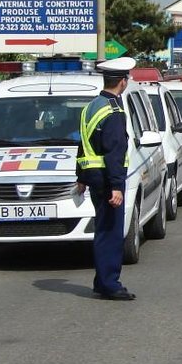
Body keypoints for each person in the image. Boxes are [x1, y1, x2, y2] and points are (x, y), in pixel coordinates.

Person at [76, 56, 137, 300]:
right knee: (111, 233)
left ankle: (102, 281)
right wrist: (116, 187)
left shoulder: (92, 106)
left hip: (93, 177)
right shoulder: (113, 111)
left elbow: (82, 145)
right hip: (107, 180)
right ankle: (110, 284)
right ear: (122, 82)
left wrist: (81, 177)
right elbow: (114, 152)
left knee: (103, 230)